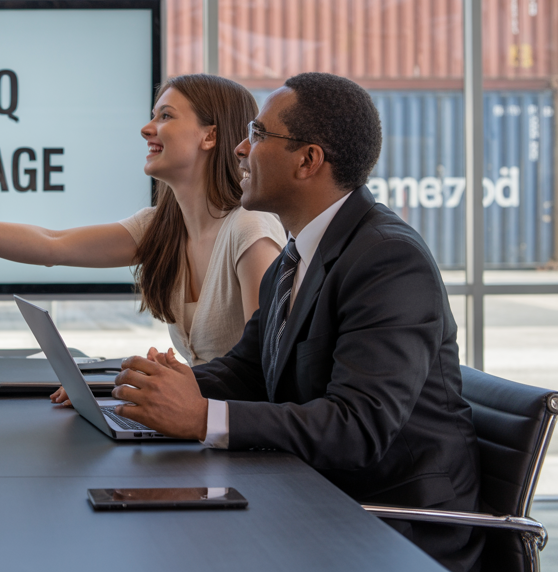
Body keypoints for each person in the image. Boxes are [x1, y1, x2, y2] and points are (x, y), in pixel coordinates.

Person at [107, 73, 481, 572]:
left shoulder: (388, 259)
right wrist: (148, 387)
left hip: (395, 526)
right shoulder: (296, 253)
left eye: (258, 134)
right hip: (317, 495)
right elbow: (248, 369)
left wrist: (201, 417)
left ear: (308, 160)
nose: (240, 148)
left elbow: (358, 427)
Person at [0, 74, 284, 368]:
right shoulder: (162, 227)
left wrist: (169, 385)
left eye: (166, 116)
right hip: (199, 429)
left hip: (238, 437)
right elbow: (52, 245)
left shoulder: (249, 229)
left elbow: (263, 367)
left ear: (210, 136)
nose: (146, 128)